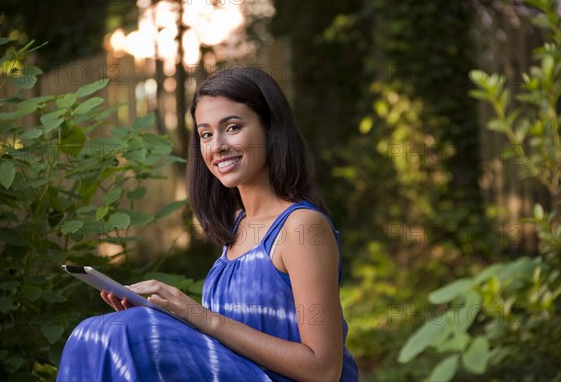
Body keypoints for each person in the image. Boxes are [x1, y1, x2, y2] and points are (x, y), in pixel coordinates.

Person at [57, 67, 359, 381]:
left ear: (271, 129)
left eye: (232, 127)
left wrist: (197, 316)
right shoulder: (238, 226)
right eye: (206, 134)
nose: (217, 146)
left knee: (132, 334)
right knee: (94, 334)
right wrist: (170, 320)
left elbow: (323, 369)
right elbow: (225, 348)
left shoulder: (301, 227)